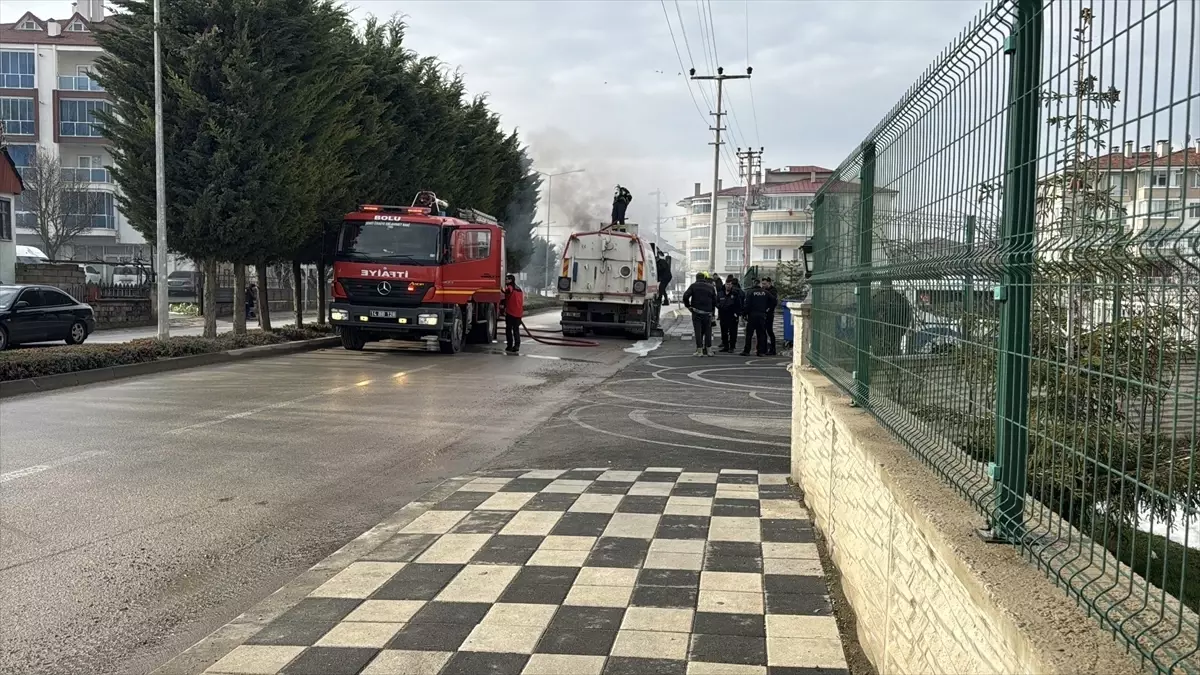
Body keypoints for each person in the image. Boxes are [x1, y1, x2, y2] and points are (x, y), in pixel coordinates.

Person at [682, 272, 718, 356]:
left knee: (698, 331)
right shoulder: (711, 287)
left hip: (696, 312)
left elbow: (685, 296)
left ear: (696, 278)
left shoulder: (693, 286)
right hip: (708, 313)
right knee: (708, 332)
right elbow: (715, 301)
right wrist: (712, 312)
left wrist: (688, 306)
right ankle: (709, 350)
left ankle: (699, 351)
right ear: (704, 278)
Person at [741, 278, 773, 357]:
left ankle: (747, 351)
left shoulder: (750, 292)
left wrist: (744, 314)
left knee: (749, 334)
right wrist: (767, 309)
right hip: (762, 315)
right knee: (761, 334)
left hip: (752, 315)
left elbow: (747, 305)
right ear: (760, 284)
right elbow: (774, 300)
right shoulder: (765, 292)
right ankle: (760, 351)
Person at [717, 275, 743, 353]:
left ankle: (732, 347)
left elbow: (738, 304)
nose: (728, 286)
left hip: (732, 315)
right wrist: (720, 306)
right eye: (727, 284)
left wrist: (737, 313)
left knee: (733, 332)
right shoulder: (720, 293)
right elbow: (716, 302)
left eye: (730, 284)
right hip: (723, 315)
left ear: (732, 285)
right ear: (725, 284)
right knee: (724, 332)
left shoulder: (735, 293)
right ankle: (725, 346)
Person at [501, 274, 524, 353]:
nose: (506, 280)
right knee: (516, 330)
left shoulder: (510, 287)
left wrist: (500, 288)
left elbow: (506, 291)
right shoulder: (519, 289)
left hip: (511, 312)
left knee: (508, 329)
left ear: (510, 280)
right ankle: (517, 345)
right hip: (518, 313)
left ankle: (509, 345)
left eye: (507, 279)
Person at [762, 276, 779, 356]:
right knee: (763, 331)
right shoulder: (763, 290)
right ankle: (764, 348)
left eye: (765, 284)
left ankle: (772, 349)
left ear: (769, 283)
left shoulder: (773, 291)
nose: (763, 285)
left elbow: (774, 302)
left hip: (769, 314)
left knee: (769, 331)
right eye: (762, 284)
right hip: (763, 313)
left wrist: (769, 309)